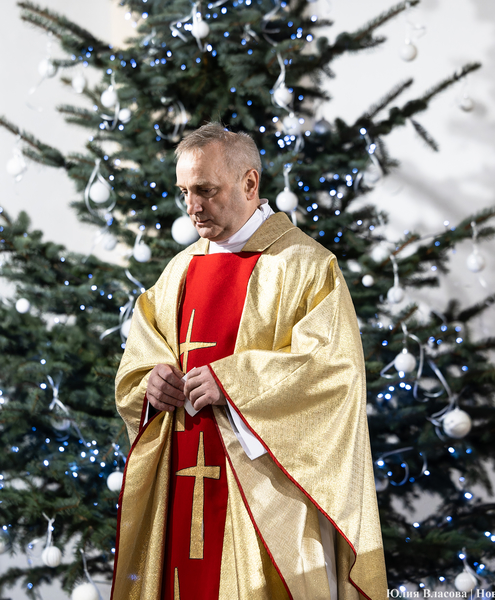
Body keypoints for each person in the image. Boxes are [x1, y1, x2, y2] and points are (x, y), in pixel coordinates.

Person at [111, 123, 387, 600]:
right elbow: (140, 361)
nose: (193, 207)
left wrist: (235, 384)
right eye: (184, 192)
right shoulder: (178, 271)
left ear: (250, 183)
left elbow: (332, 372)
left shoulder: (306, 266)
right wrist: (150, 384)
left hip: (266, 497)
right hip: (180, 484)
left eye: (205, 190)